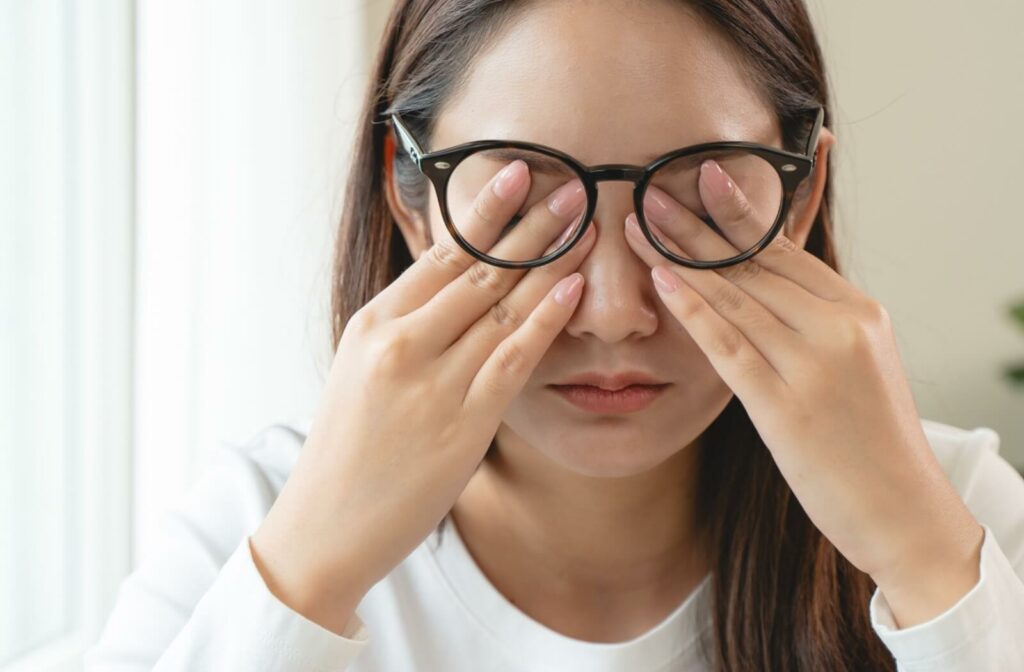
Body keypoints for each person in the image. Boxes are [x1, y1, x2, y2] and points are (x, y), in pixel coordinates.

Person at [84, 0, 1024, 670]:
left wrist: (927, 567)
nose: (614, 312)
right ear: (411, 201)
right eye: (525, 206)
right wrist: (311, 571)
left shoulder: (958, 517)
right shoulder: (252, 533)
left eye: (698, 199)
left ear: (800, 195)